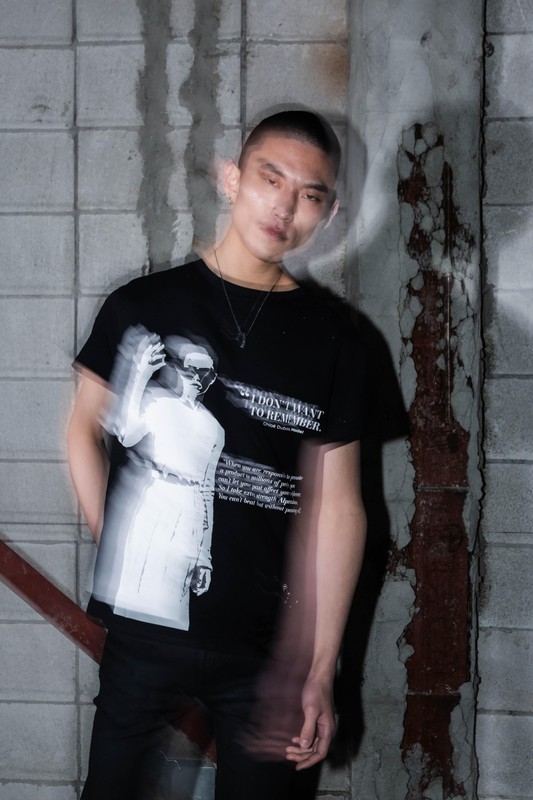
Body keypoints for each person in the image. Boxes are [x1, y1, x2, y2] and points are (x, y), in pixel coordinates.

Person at [67, 109, 367, 800]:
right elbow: (84, 430)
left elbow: (340, 508)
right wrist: (112, 537)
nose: (283, 206)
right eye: (270, 178)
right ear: (233, 179)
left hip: (266, 650)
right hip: (146, 631)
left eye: (309, 194)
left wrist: (320, 667)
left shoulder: (338, 341)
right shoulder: (143, 303)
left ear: (327, 214)